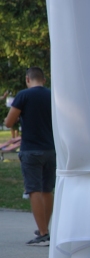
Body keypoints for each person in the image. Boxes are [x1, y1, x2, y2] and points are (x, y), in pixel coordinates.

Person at [4, 67, 55, 246]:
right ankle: (46, 228)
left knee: (34, 189)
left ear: (27, 79)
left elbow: (8, 122)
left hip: (31, 149)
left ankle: (43, 233)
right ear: (44, 80)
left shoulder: (23, 96)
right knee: (47, 189)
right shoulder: (53, 95)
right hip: (51, 149)